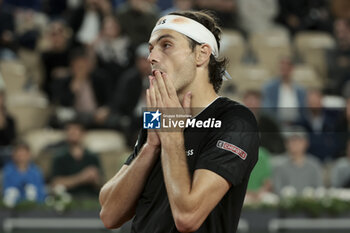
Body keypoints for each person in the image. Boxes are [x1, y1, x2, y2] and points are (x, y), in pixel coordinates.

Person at [99, 10, 259, 232]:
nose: (151, 57)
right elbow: (109, 214)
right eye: (151, 48)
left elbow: (188, 217)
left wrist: (173, 136)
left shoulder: (235, 121)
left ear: (201, 55)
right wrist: (150, 147)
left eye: (166, 45)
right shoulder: (158, 116)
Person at [50, 120, 103, 197]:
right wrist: (82, 177)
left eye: (76, 130)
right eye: (70, 130)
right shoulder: (59, 157)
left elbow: (102, 183)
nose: (73, 133)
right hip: (68, 199)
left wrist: (95, 179)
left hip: (91, 199)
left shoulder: (92, 157)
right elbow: (55, 183)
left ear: (83, 133)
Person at [273, 127, 323, 195]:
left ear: (306, 143)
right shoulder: (279, 165)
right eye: (291, 140)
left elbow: (319, 189)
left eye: (298, 140)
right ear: (286, 143)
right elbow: (277, 190)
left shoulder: (314, 164)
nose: (295, 143)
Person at [3, 141, 46, 207]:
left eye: (24, 155)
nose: (21, 158)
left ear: (29, 155)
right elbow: (5, 191)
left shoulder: (36, 172)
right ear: (14, 155)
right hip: (13, 209)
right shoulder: (7, 172)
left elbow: (41, 193)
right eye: (19, 155)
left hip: (34, 209)